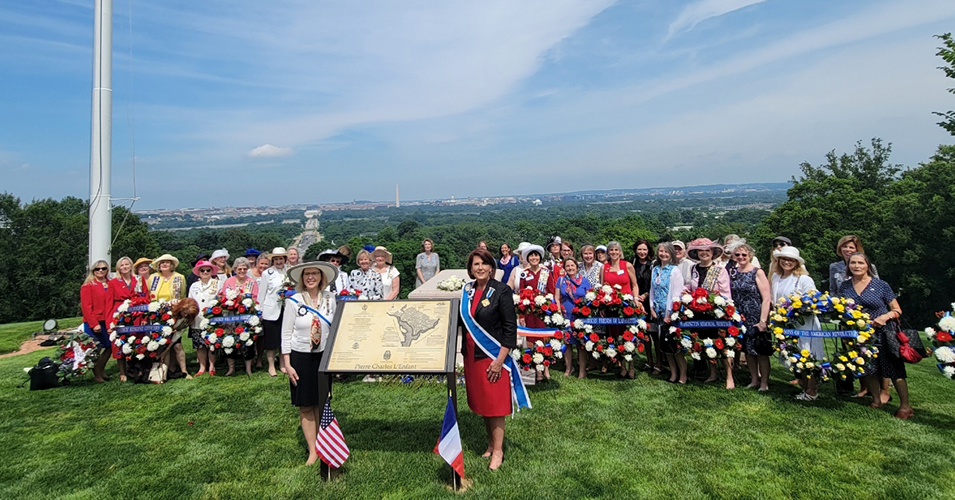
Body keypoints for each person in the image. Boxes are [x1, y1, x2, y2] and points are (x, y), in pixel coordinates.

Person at [460, 248, 522, 471]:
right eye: (475, 264)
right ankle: (490, 443)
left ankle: (498, 451)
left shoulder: (501, 291)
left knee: (495, 406)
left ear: (491, 267)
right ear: (470, 268)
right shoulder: (467, 291)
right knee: (484, 404)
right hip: (472, 358)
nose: (480, 268)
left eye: (484, 264)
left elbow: (509, 328)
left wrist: (499, 360)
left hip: (493, 357)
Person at [837, 253, 912, 419]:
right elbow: (842, 310)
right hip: (860, 334)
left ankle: (905, 406)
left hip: (885, 332)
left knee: (894, 369)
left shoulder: (881, 285)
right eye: (853, 263)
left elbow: (897, 309)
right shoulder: (845, 287)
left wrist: (884, 317)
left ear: (867, 266)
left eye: (860, 263)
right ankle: (876, 400)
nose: (856, 266)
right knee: (867, 367)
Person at [282, 260, 338, 465]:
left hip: (324, 356)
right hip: (301, 356)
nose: (311, 277)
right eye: (307, 274)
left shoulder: (331, 299)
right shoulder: (294, 301)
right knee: (306, 405)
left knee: (322, 403)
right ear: (301, 278)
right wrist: (287, 364)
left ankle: (326, 443)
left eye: (315, 274)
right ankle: (313, 450)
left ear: (321, 277)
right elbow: (286, 333)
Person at [771, 246, 822, 400]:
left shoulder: (804, 279)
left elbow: (814, 301)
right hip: (785, 324)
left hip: (804, 323)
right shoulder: (775, 277)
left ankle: (812, 390)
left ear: (797, 263)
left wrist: (798, 308)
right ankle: (804, 388)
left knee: (807, 355)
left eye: (791, 260)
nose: (787, 262)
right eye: (784, 259)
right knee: (793, 355)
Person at [685, 238, 732, 386]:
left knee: (722, 343)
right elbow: (691, 286)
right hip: (698, 311)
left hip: (716, 311)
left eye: (707, 251)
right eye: (701, 251)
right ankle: (712, 373)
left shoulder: (719, 270)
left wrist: (714, 300)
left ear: (713, 253)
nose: (704, 253)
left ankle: (729, 377)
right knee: (706, 342)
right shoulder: (693, 268)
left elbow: (725, 292)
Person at [730, 243, 772, 391]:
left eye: (744, 255)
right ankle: (754, 379)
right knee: (747, 350)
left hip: (756, 314)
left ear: (750, 257)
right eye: (737, 255)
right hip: (740, 316)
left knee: (760, 350)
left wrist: (763, 320)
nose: (740, 257)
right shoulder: (733, 272)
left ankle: (764, 383)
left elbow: (766, 298)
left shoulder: (757, 272)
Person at [601, 241, 639, 378]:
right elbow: (602, 287)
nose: (614, 252)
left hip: (627, 307)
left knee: (629, 335)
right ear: (608, 252)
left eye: (616, 250)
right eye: (611, 250)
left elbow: (635, 285)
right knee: (616, 336)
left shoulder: (627, 265)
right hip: (611, 307)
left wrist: (635, 300)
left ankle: (632, 366)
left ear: (620, 251)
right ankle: (622, 366)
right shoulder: (604, 268)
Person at [148, 254, 190, 378]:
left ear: (172, 265)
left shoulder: (179, 277)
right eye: (162, 263)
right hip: (157, 315)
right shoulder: (153, 278)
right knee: (161, 343)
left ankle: (184, 370)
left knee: (176, 343)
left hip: (174, 313)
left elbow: (182, 295)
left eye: (167, 262)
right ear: (158, 266)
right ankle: (164, 370)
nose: (165, 264)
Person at [650, 243, 686, 384]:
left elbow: (676, 294)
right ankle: (673, 373)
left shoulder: (674, 270)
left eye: (666, 252)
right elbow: (652, 289)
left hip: (671, 314)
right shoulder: (655, 269)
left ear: (671, 254)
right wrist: (652, 308)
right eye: (660, 251)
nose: (663, 254)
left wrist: (669, 313)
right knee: (665, 346)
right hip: (658, 312)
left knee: (675, 346)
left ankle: (683, 374)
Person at [109, 256, 145, 382]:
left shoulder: (139, 280)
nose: (124, 267)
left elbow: (145, 296)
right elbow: (109, 303)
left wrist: (143, 312)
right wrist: (110, 322)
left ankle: (138, 368)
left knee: (138, 340)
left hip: (137, 314)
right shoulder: (113, 282)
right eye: (122, 265)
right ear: (118, 268)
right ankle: (123, 372)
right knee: (120, 342)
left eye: (126, 264)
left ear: (131, 266)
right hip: (120, 314)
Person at [555, 258, 591, 378]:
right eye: (567, 266)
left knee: (581, 343)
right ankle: (569, 368)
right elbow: (557, 297)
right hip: (566, 315)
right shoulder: (560, 281)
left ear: (577, 267)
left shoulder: (584, 281)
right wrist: (559, 310)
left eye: (572, 265)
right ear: (564, 268)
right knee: (567, 342)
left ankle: (582, 370)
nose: (570, 268)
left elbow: (590, 297)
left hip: (581, 316)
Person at [81, 260, 114, 383]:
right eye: (97, 269)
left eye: (103, 268)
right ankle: (97, 374)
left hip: (108, 321)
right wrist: (94, 324)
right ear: (93, 271)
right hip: (94, 321)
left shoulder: (111, 284)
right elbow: (86, 306)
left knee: (110, 347)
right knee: (96, 348)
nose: (100, 271)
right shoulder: (88, 285)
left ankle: (101, 370)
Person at [257, 247, 289, 376]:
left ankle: (282, 364)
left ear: (284, 259)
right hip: (271, 311)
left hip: (286, 309)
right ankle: (271, 366)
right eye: (276, 259)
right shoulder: (267, 273)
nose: (278, 261)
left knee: (284, 340)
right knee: (271, 341)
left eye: (280, 258)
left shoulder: (290, 271)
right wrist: (260, 311)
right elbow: (261, 294)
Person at [188, 260, 222, 376]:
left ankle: (212, 366)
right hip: (197, 319)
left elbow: (220, 300)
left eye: (208, 270)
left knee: (211, 343)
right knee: (199, 345)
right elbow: (190, 302)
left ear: (212, 271)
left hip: (212, 318)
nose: (205, 272)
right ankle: (202, 368)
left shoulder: (217, 283)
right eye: (203, 270)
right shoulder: (194, 286)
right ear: (199, 272)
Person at [630, 239, 654, 370]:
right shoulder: (632, 264)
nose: (642, 252)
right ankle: (649, 360)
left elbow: (655, 284)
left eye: (644, 249)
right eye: (639, 249)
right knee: (644, 334)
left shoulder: (653, 265)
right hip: (637, 301)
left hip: (650, 300)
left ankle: (659, 362)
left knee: (654, 333)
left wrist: (645, 295)